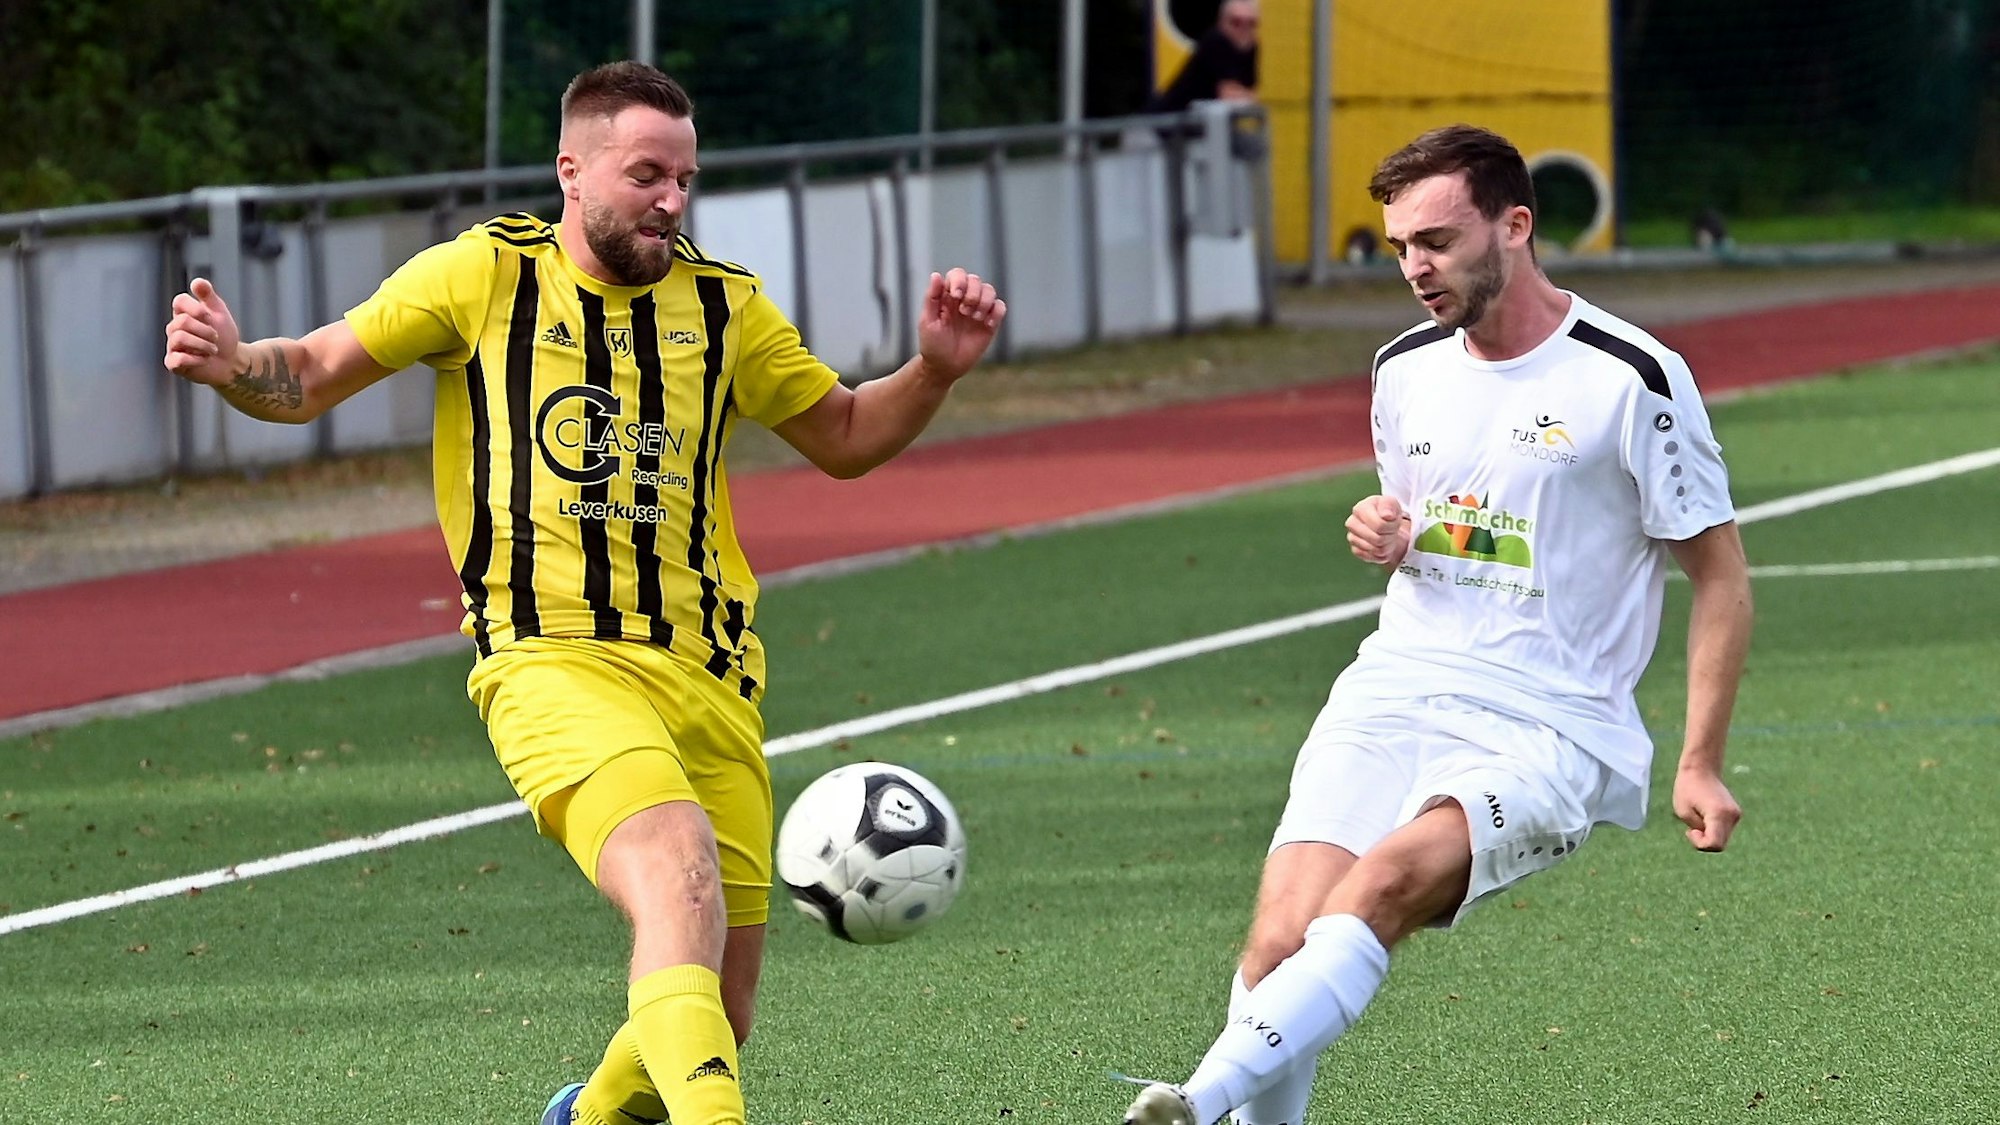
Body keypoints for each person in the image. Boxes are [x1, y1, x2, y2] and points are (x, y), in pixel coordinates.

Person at [162, 61, 1005, 1125]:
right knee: (674, 868)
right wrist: (238, 362)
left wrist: (932, 371)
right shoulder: (482, 275)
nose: (671, 199)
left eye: (685, 178)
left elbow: (841, 435)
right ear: (572, 169)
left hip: (712, 678)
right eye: (647, 173)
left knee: (719, 1007)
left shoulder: (724, 304)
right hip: (550, 660)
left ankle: (585, 1118)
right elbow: (315, 369)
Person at [1119, 124, 1751, 1125]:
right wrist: (1386, 527)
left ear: (1514, 225)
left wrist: (1697, 759)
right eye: (1398, 247)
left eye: (1436, 240)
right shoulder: (1402, 366)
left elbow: (1718, 578)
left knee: (1376, 889)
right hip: (1396, 685)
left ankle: (1189, 1104)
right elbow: (1423, 516)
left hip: (1550, 724)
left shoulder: (1629, 376)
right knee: (1277, 941)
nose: (1414, 267)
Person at [1146, 0, 1259, 114]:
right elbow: (1231, 95)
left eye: (1251, 23)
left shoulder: (1250, 49)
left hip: (1189, 124)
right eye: (1236, 22)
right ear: (1221, 23)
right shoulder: (1216, 42)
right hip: (1161, 123)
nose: (1244, 29)